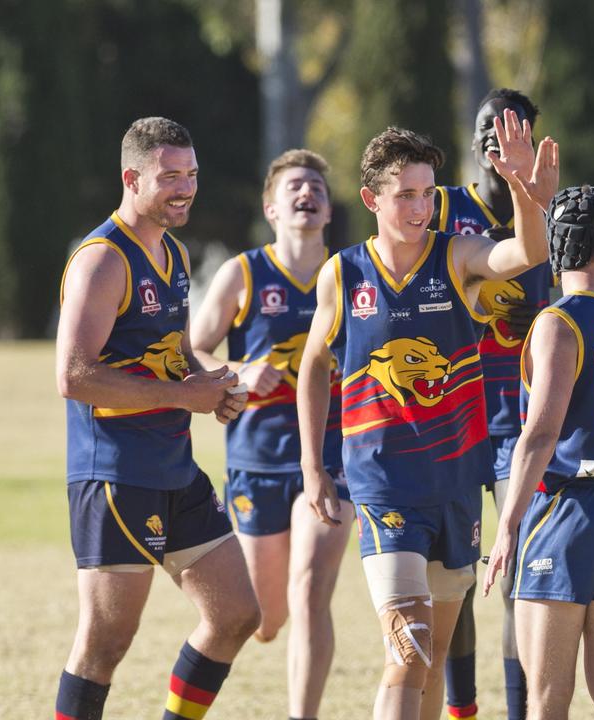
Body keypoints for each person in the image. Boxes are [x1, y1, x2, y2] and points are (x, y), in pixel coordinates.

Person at [296, 116, 558, 720]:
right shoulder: (344, 274)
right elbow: (314, 365)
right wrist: (314, 466)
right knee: (408, 650)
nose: (421, 207)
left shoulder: (456, 257)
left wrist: (520, 185)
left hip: (455, 485)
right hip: (385, 485)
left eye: (428, 193)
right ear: (371, 200)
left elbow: (528, 253)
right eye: (405, 195)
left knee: (433, 654)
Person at [54, 116, 261, 720]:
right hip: (115, 474)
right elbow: (72, 376)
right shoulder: (103, 260)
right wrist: (183, 396)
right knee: (106, 643)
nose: (185, 188)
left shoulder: (170, 252)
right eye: (170, 176)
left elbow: (175, 353)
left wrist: (216, 382)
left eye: (191, 175)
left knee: (235, 614)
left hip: (174, 467)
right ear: (132, 178)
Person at [483, 185, 594, 720]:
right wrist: (542, 198)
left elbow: (539, 435)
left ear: (557, 246)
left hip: (568, 510)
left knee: (547, 701)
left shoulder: (557, 324)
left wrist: (508, 524)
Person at [189, 148, 352, 720]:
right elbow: (191, 348)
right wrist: (235, 372)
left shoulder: (351, 272)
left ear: (329, 211)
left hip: (332, 461)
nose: (307, 194)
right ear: (271, 207)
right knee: (264, 618)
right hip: (256, 461)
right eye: (294, 187)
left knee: (311, 591)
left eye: (316, 188)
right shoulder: (245, 273)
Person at [430, 87, 553, 720]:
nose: (498, 138)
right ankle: (462, 708)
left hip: (521, 427)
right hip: (450, 422)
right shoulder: (441, 210)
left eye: (513, 129)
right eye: (487, 126)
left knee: (515, 576)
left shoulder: (552, 217)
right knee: (452, 582)